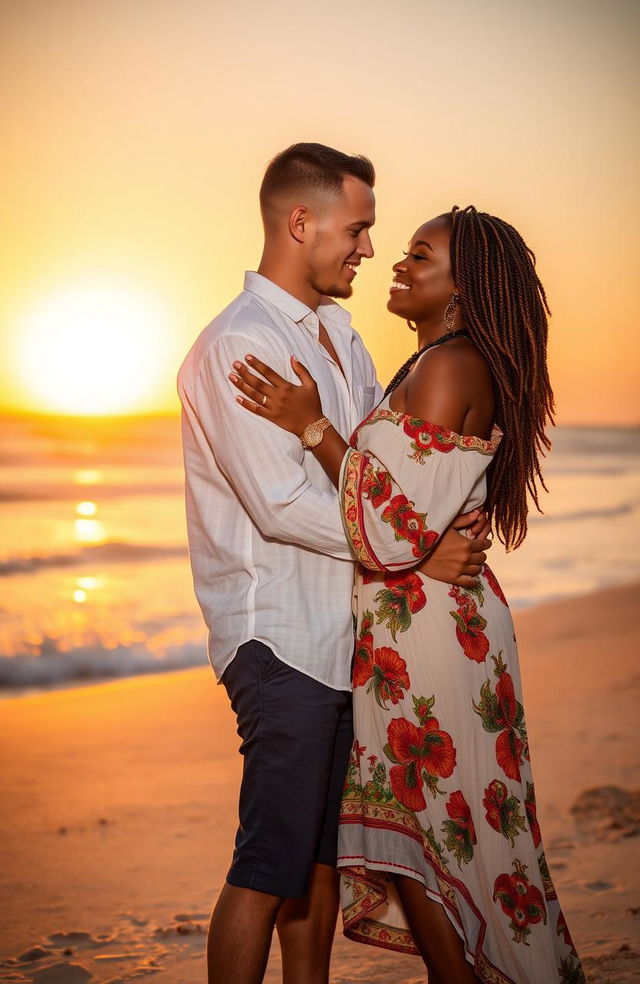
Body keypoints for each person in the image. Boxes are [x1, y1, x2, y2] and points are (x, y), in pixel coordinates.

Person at [229, 206, 586, 983]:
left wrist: (315, 427)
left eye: (420, 255)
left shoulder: (449, 366)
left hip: (429, 634)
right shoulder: (435, 363)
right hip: (425, 625)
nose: (398, 263)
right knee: (428, 835)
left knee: (427, 835)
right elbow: (411, 519)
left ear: (461, 288)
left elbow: (393, 529)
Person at [177, 145, 492, 984]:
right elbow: (282, 503)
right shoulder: (239, 344)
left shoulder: (343, 338)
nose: (366, 249)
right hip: (278, 639)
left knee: (316, 864)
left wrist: (411, 529)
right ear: (300, 222)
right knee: (268, 864)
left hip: (345, 637)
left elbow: (359, 474)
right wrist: (418, 553)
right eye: (357, 229)